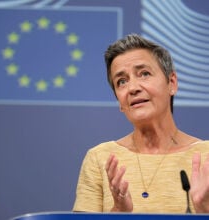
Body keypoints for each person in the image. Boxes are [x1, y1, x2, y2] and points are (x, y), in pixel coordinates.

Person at [73, 34, 209, 213]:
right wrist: (119, 213)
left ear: (172, 83)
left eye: (144, 74)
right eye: (122, 81)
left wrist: (204, 209)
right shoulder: (100, 159)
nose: (133, 88)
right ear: (119, 102)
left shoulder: (206, 157)